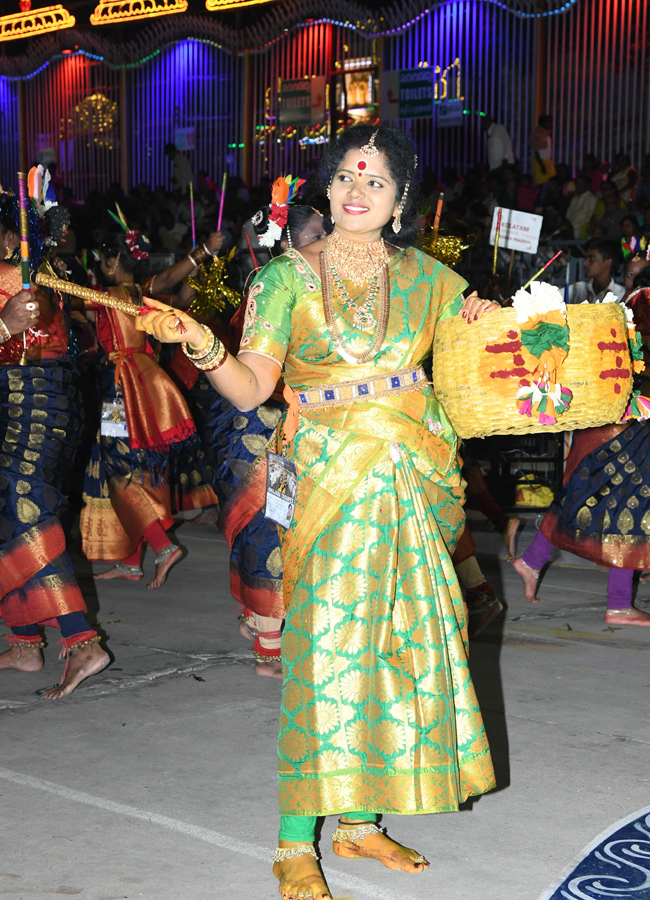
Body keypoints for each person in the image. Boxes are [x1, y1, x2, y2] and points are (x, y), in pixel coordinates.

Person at [139, 123, 497, 900]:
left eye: (374, 181)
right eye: (343, 177)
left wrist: (491, 324)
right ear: (326, 190)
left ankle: (361, 825)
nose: (356, 191)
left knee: (402, 646)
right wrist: (203, 342)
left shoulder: (432, 280)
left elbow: (490, 358)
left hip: (412, 480)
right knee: (327, 654)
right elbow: (253, 388)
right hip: (331, 482)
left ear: (401, 200)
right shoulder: (284, 279)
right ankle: (293, 842)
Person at [0, 204, 109, 698]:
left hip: (30, 409)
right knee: (11, 513)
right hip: (47, 405)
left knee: (25, 511)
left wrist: (4, 326)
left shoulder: (14, 278)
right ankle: (24, 642)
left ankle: (80, 640)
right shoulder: (41, 276)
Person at [80, 226, 216, 589]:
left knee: (117, 468)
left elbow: (68, 309)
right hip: (143, 383)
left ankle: (161, 545)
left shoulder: (104, 296)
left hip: (119, 390)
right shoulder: (138, 292)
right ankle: (128, 562)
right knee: (134, 466)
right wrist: (200, 254)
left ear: (111, 261)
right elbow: (174, 282)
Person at [512, 268, 650, 624]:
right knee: (630, 508)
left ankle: (531, 560)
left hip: (611, 417)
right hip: (630, 423)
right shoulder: (645, 304)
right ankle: (619, 603)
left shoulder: (626, 304)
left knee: (585, 495)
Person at [568, 238, 625, 303]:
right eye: (586, 258)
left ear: (608, 262)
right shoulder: (577, 289)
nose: (585, 263)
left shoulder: (620, 294)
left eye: (591, 259)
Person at [566, 175, 598, 239]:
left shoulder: (592, 199)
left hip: (581, 228)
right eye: (577, 183)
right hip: (570, 228)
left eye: (581, 183)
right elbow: (568, 216)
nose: (578, 186)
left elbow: (589, 217)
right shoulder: (574, 199)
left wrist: (574, 227)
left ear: (587, 185)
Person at [530, 114, 555, 185]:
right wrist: (542, 165)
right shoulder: (540, 134)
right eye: (549, 122)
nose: (551, 124)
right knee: (543, 183)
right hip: (541, 161)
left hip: (545, 161)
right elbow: (537, 151)